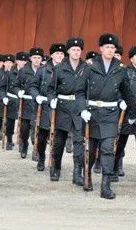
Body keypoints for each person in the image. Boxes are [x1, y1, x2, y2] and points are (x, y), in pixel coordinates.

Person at [82, 33, 136, 199]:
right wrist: (81, 108)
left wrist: (133, 112)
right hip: (91, 113)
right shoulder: (90, 66)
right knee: (91, 149)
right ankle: (88, 175)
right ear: (100, 48)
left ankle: (105, 186)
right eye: (107, 47)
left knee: (108, 149)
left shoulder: (120, 69)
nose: (110, 50)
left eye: (113, 47)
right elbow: (79, 91)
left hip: (110, 114)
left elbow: (127, 93)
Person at [46, 39, 87, 184]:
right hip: (63, 107)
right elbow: (51, 89)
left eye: (78, 50)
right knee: (59, 141)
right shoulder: (59, 69)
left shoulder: (86, 68)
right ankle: (56, 168)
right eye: (73, 49)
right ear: (68, 51)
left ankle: (77, 173)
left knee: (79, 141)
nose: (76, 52)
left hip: (79, 107)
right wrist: (52, 99)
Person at [111, 45, 136, 191]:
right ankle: (114, 168)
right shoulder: (124, 72)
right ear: (131, 59)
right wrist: (121, 102)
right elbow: (118, 90)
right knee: (120, 143)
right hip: (126, 112)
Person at [30, 43, 65, 173]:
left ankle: (55, 164)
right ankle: (41, 158)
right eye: (57, 53)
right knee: (42, 137)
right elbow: (33, 87)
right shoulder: (43, 70)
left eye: (62, 54)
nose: (60, 56)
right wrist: (37, 97)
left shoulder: (67, 70)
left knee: (58, 138)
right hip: (45, 108)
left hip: (61, 108)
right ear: (51, 55)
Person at [11, 47, 43, 159]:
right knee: (24, 129)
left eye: (39, 58)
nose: (37, 60)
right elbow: (15, 85)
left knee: (37, 130)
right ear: (30, 58)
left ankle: (37, 151)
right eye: (34, 57)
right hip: (26, 104)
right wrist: (18, 92)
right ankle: (24, 145)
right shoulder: (23, 71)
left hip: (39, 105)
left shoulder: (44, 70)